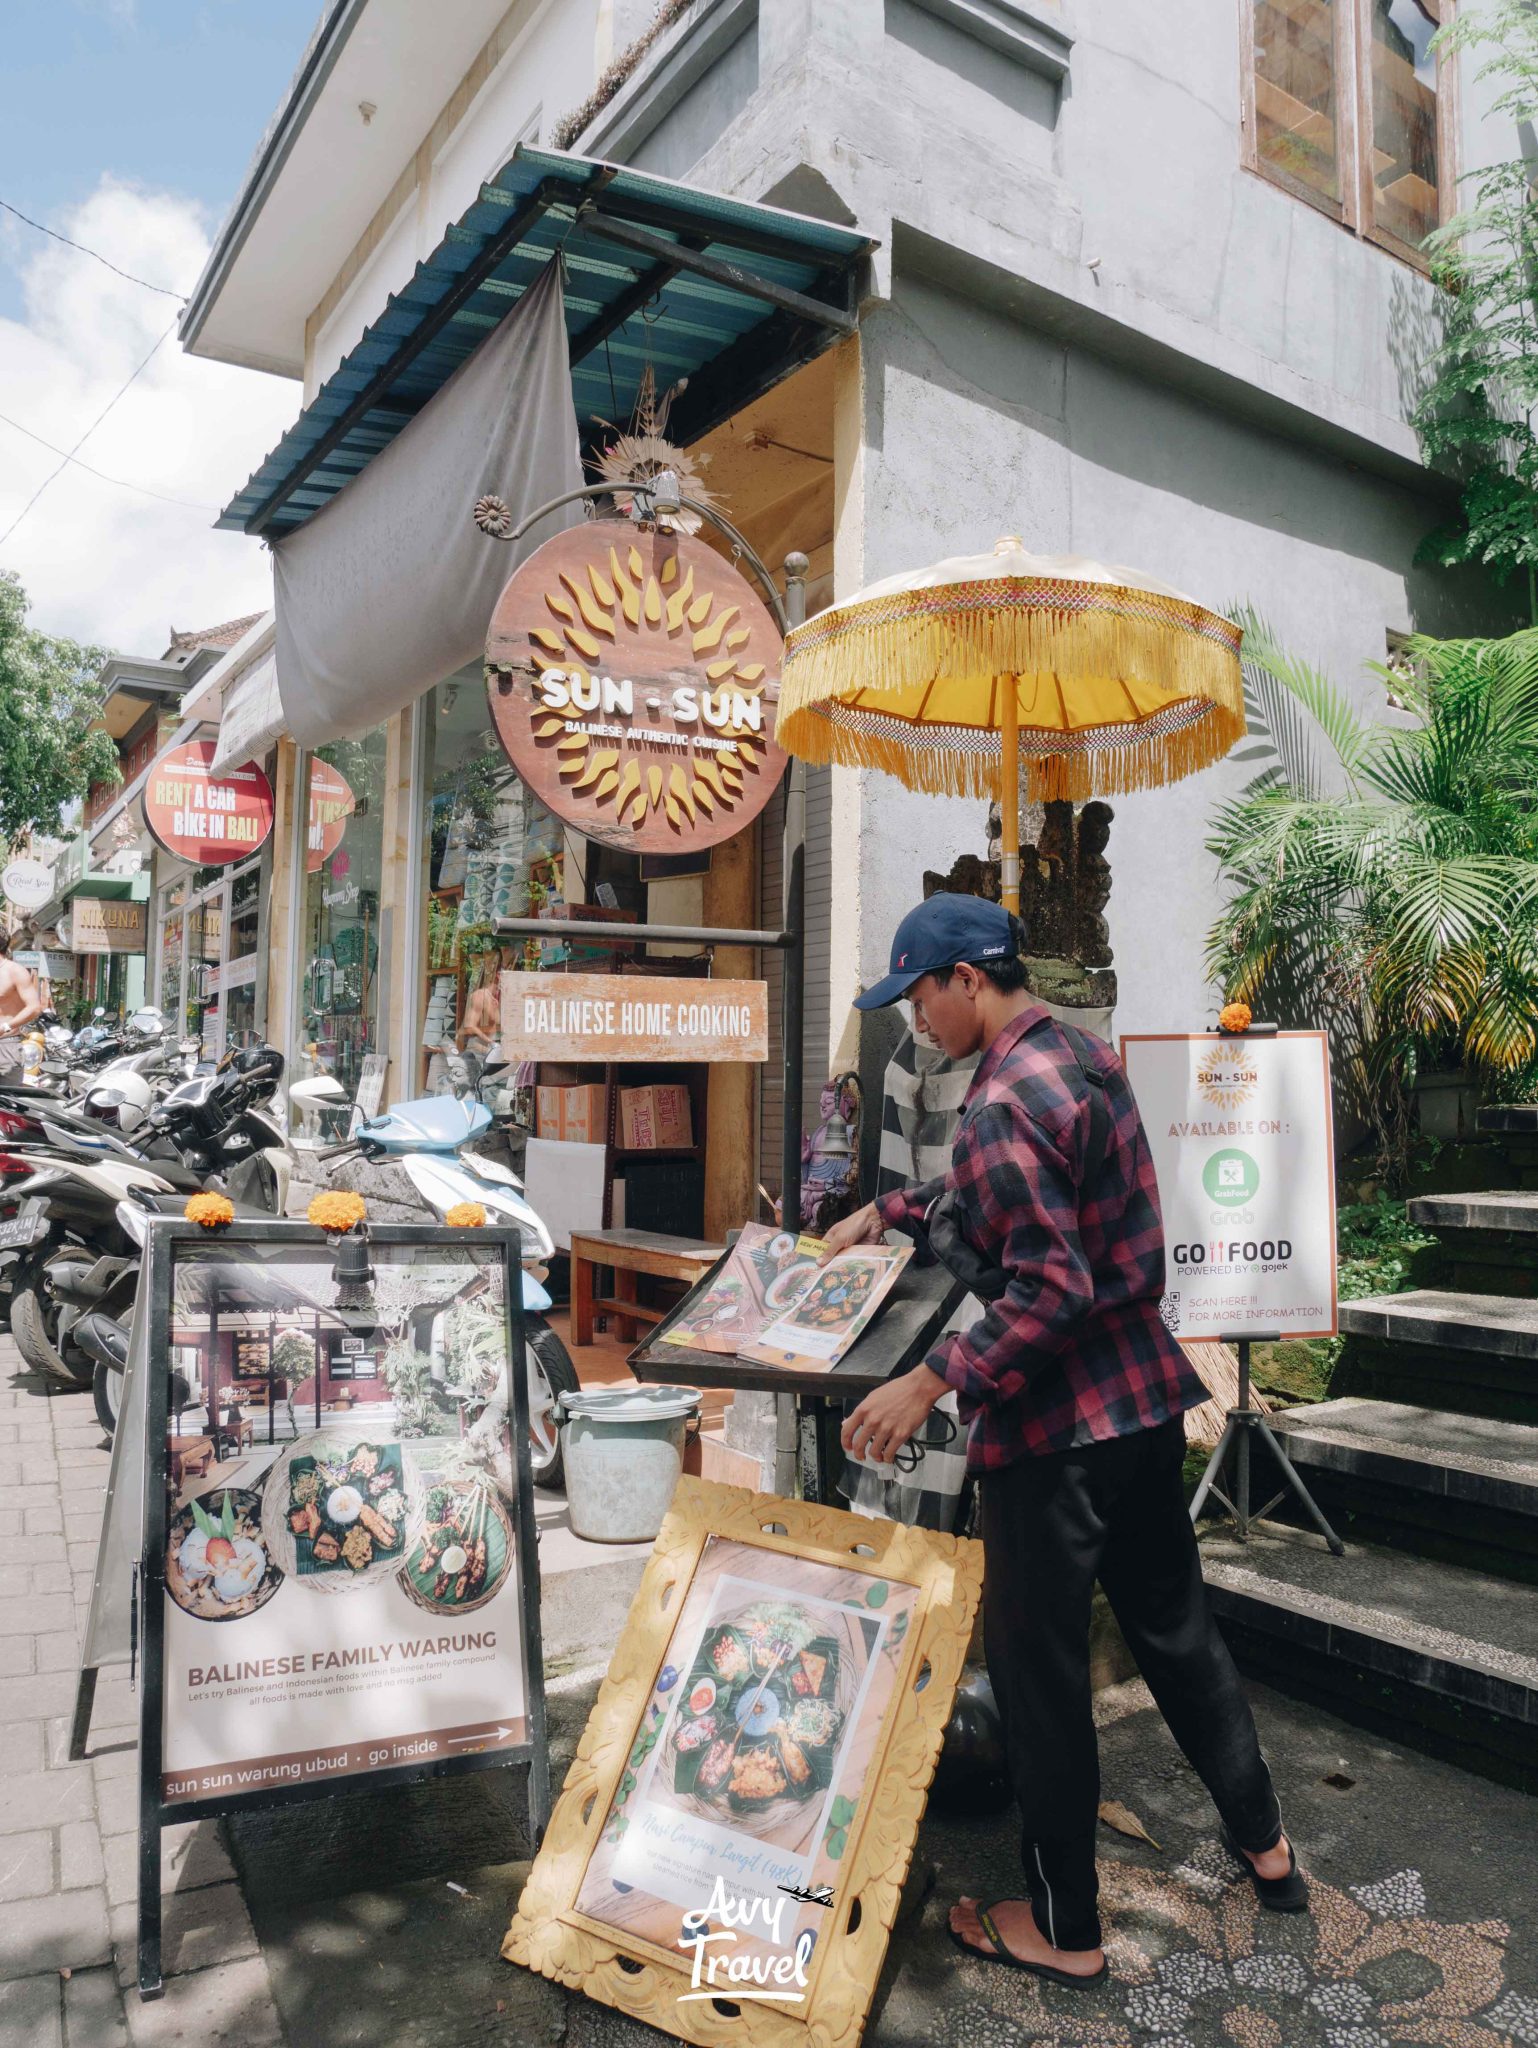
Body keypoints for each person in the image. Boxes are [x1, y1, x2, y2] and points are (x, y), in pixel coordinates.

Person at [821, 892, 1304, 1988]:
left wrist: (927, 1378)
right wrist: (887, 1213)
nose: (915, 1024)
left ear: (967, 978)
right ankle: (1267, 1846)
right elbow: (1010, 1196)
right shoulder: (1077, 1058)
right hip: (1141, 1406)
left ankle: (1063, 1928)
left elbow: (1045, 1285)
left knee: (1036, 1680)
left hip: (1055, 1435)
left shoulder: (1000, 1099)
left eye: (919, 997)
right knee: (1179, 1635)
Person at [0, 929, 45, 1079]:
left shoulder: (14, 971)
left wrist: (6, 1027)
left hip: (5, 1044)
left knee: (7, 1100)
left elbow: (34, 1007)